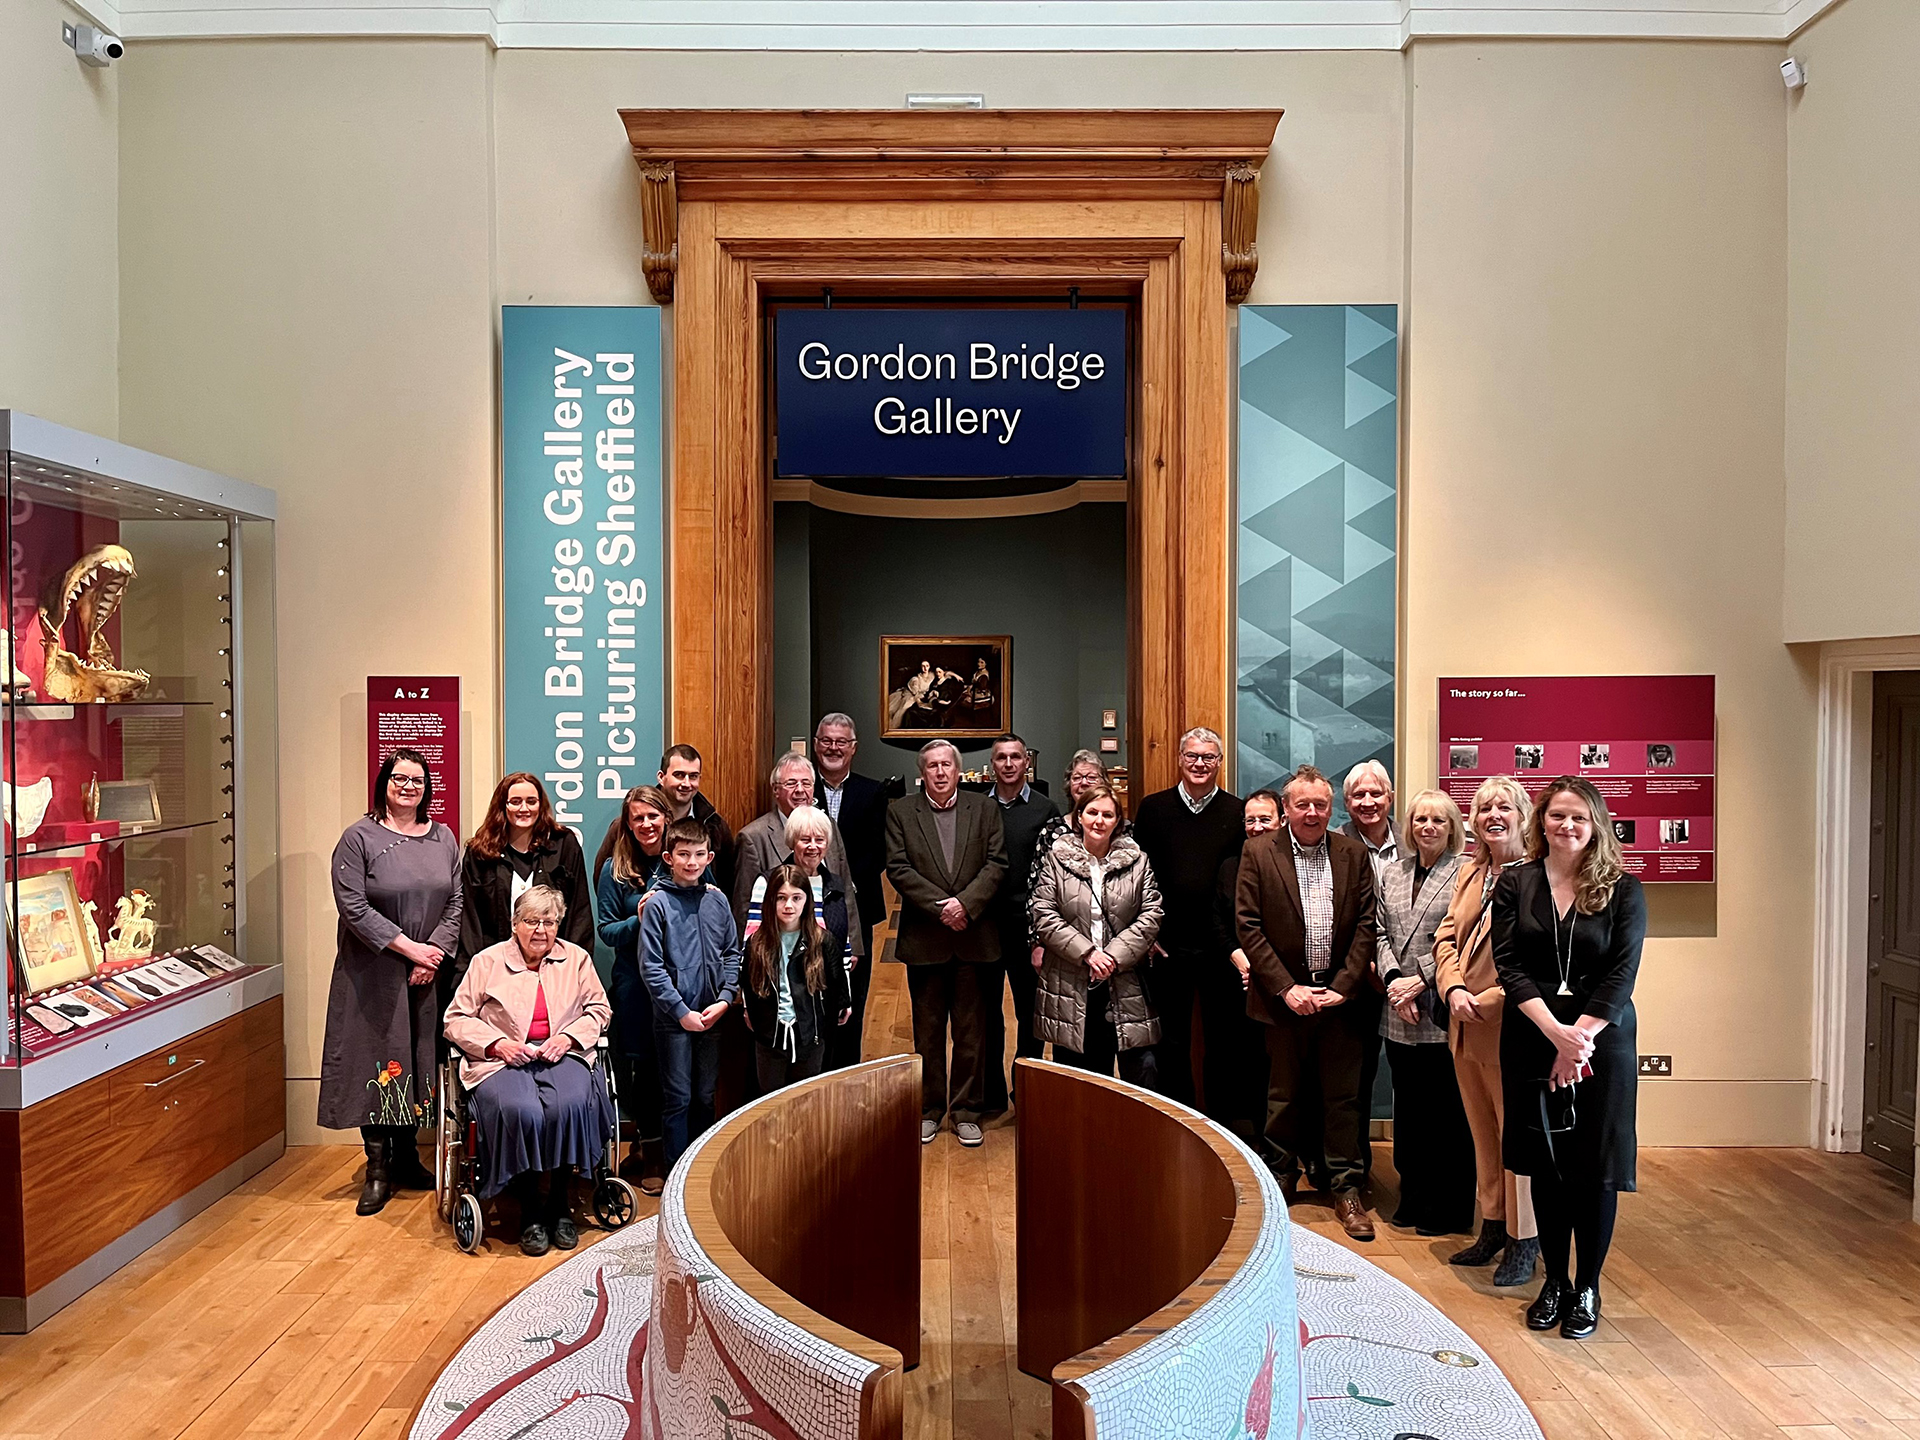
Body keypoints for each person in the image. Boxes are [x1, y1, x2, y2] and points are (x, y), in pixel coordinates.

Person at [1494, 777, 1645, 1341]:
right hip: (1533, 1035)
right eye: (1557, 815)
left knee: (1593, 1169)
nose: (1567, 826)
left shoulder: (1624, 890)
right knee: (1547, 1167)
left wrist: (1576, 1040)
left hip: (1601, 1046)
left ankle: (1588, 1285)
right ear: (1542, 821)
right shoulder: (1516, 882)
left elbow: (1621, 973)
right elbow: (1509, 964)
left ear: (1596, 824)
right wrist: (1554, 1034)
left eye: (1579, 817)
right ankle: (1554, 1281)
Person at [1235, 764, 1379, 1240]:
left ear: (1330, 806)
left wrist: (1344, 984)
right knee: (1283, 1095)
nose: (1313, 812)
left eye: (1321, 804)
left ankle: (1346, 1188)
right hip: (1283, 999)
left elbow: (1365, 924)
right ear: (1286, 808)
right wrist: (1285, 987)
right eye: (1303, 804)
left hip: (1341, 999)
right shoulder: (1258, 852)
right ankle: (1280, 1178)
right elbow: (1248, 926)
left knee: (1343, 1099)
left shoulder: (1353, 854)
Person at [319, 747, 463, 1216]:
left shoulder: (443, 837)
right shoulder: (358, 838)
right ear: (384, 782)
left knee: (417, 1060)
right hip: (374, 975)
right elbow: (354, 908)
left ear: (427, 788)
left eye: (417, 781)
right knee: (378, 1061)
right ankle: (379, 1167)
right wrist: (409, 949)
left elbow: (456, 901)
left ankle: (406, 1157)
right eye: (399, 778)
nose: (408, 787)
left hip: (427, 975)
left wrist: (434, 954)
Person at [444, 886, 614, 1256]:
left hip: (561, 1055)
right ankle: (530, 1211)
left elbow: (600, 1010)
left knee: (567, 1104)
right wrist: (496, 1044)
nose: (541, 930)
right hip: (501, 1059)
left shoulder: (577, 960)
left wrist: (568, 1038)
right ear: (514, 924)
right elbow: (455, 1019)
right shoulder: (487, 962)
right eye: (532, 921)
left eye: (549, 921)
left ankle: (557, 1203)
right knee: (522, 1111)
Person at [1432, 775, 1541, 1285]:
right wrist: (1452, 989)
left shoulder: (1538, 877)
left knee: (1517, 1139)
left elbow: (1538, 959)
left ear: (1524, 816)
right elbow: (1447, 935)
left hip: (1509, 1028)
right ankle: (1493, 1226)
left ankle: (1525, 1240)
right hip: (1463, 1026)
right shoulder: (1472, 873)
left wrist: (1492, 1001)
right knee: (1483, 1136)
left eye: (1506, 807)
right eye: (1484, 808)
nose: (1494, 815)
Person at [885, 739, 1008, 1147]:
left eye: (946, 765)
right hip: (926, 937)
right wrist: (942, 908)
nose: (940, 772)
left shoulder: (985, 808)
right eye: (932, 766)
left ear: (958, 771)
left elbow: (997, 863)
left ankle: (967, 1110)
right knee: (928, 1032)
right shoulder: (901, 811)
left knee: (972, 1032)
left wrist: (965, 905)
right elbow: (898, 867)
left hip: (974, 935)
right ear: (923, 772)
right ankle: (930, 1108)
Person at [1376, 789, 1474, 1236]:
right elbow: (1377, 930)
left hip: (1438, 1006)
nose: (1428, 827)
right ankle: (1412, 1198)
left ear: (1452, 827)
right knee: (1409, 1111)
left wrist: (1421, 980)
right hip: (1399, 1007)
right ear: (1409, 826)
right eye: (1419, 820)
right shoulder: (1392, 872)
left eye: (1438, 820)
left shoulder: (1465, 874)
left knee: (1449, 1114)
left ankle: (1450, 1207)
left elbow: (1465, 939)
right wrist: (1396, 978)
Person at [1131, 726, 1246, 1109]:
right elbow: (1137, 876)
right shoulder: (1153, 808)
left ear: (1219, 763)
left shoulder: (1237, 811)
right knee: (1171, 1041)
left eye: (1208, 757)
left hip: (1221, 948)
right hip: (1167, 946)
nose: (1200, 764)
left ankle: (1221, 1128)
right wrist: (1147, 934)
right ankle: (1180, 1121)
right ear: (1179, 759)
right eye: (1192, 756)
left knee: (1224, 1041)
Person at [1030, 781, 1163, 1086]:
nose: (1099, 820)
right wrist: (1088, 954)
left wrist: (1112, 957)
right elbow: (1043, 913)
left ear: (1118, 822)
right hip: (1070, 977)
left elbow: (1152, 914)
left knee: (1138, 1073)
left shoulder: (1138, 861)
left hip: (1124, 977)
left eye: (1108, 814)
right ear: (1079, 817)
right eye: (1092, 812)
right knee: (1078, 1076)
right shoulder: (1057, 858)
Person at [639, 818, 743, 1169]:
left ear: (710, 857)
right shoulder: (657, 905)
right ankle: (674, 1171)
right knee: (678, 1097)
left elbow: (732, 952)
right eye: (683, 854)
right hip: (674, 1020)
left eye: (699, 855)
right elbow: (651, 967)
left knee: (704, 1095)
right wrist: (680, 1011)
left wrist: (726, 998)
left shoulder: (718, 902)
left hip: (713, 1014)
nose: (691, 862)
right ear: (668, 857)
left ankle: (699, 1170)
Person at [595, 784, 682, 1195]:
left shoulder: (682, 858)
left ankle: (676, 1152)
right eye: (638, 818)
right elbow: (607, 931)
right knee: (643, 1071)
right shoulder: (615, 869)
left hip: (683, 982)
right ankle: (651, 1154)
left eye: (653, 816)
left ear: (666, 817)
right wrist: (639, 919)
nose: (646, 824)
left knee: (678, 1070)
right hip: (636, 987)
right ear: (627, 824)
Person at [456, 773, 593, 1011]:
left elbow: (579, 912)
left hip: (553, 971)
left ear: (541, 805)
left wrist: (572, 968)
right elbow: (469, 919)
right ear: (502, 805)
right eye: (515, 801)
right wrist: (472, 972)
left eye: (531, 801)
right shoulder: (479, 852)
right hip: (495, 972)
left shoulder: (564, 844)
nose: (524, 808)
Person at [984, 734, 1060, 1101]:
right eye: (1001, 758)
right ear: (992, 764)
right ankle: (991, 1090)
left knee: (1031, 1012)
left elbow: (1053, 874)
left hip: (1028, 926)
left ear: (1027, 762)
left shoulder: (1046, 810)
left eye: (1016, 757)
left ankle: (1025, 1087)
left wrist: (1043, 935)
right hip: (984, 925)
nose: (1009, 764)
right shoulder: (977, 808)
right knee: (986, 1012)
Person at [812, 713, 889, 1068]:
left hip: (857, 909)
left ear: (853, 748)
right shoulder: (802, 787)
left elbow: (878, 851)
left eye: (841, 742)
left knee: (853, 997)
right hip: (806, 908)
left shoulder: (872, 792)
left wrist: (841, 885)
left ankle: (847, 1074)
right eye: (827, 740)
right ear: (816, 745)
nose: (833, 748)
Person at [1338, 758, 1399, 1181]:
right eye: (1358, 795)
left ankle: (1408, 1173)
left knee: (1399, 1077)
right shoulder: (1334, 842)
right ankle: (1351, 1169)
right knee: (1352, 1079)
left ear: (1390, 798)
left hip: (1403, 982)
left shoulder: (1412, 844)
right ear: (1346, 803)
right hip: (1353, 978)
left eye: (1376, 793)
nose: (1368, 801)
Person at [741, 863, 852, 1091]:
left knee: (806, 1104)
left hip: (809, 1037)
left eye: (796, 898)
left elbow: (836, 988)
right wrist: (757, 1021)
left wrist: (825, 1026)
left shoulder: (824, 942)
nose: (788, 905)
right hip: (771, 1038)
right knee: (771, 1104)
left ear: (807, 900)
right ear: (770, 900)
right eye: (781, 898)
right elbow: (749, 988)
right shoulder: (756, 944)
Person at [1212, 788, 1283, 1141]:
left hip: (1281, 984)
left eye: (1265, 819)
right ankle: (1245, 1142)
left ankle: (1276, 1147)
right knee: (1239, 1062)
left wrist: (1264, 969)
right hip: (1236, 979)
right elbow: (1219, 921)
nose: (1257, 827)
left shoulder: (1292, 863)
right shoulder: (1230, 866)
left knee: (1276, 1068)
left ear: (1281, 821)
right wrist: (1239, 958)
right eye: (1250, 820)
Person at [733, 753, 853, 927]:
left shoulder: (827, 826)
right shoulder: (752, 837)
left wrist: (853, 947)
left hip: (831, 942)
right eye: (791, 783)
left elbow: (845, 891)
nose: (799, 790)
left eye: (806, 783)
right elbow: (744, 907)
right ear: (775, 790)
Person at [656, 743, 734, 886]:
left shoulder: (715, 826)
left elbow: (728, 882)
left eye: (693, 776)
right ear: (661, 777)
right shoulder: (639, 822)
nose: (686, 784)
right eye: (679, 775)